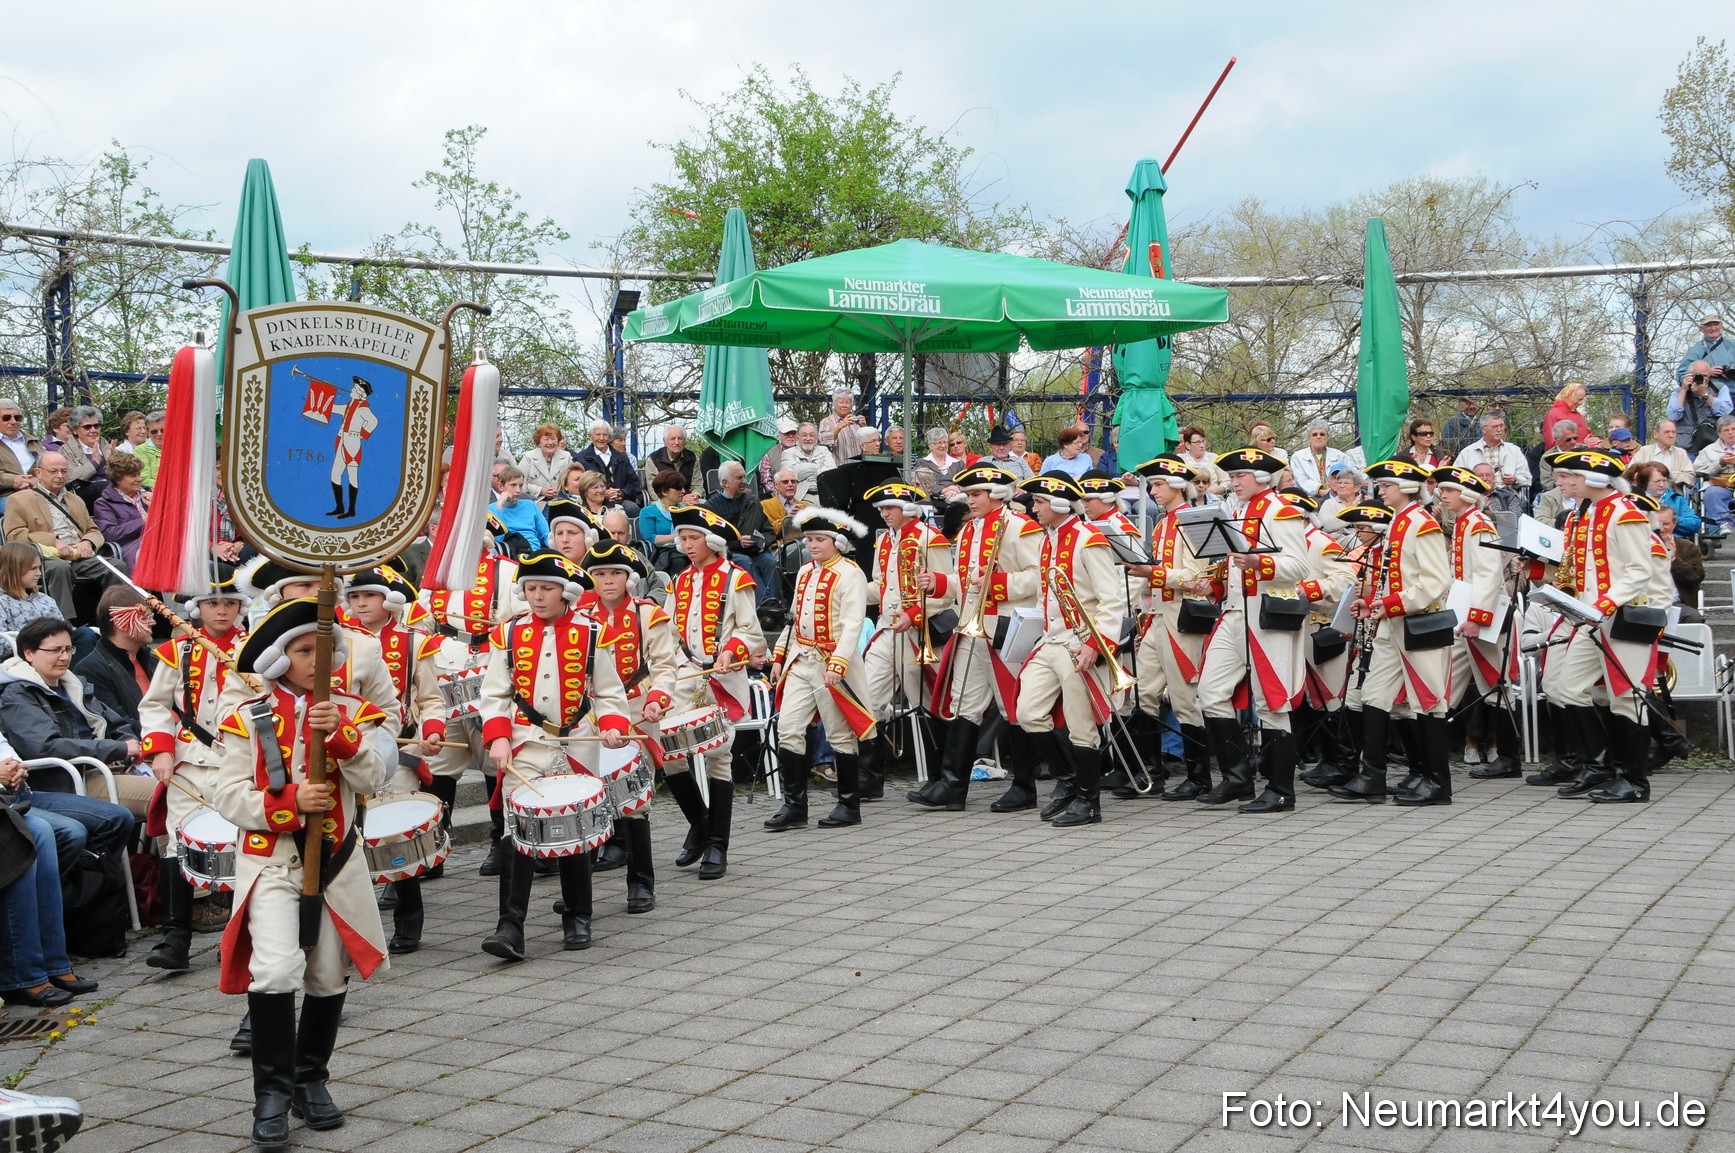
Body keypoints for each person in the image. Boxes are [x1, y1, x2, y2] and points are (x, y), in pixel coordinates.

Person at [210, 598, 390, 1148]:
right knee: (275, 969)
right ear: (278, 658)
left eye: (326, 648)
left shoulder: (355, 711)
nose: (319, 658)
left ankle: (311, 1080)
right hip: (271, 861)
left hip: (335, 863)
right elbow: (227, 794)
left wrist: (342, 739)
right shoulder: (249, 716)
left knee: (327, 973)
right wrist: (286, 802)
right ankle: (271, 1093)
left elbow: (374, 779)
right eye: (304, 649)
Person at [475, 553, 630, 960]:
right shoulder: (507, 634)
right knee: (516, 829)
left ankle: (578, 915)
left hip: (577, 742)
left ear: (565, 592)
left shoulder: (593, 632)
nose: (538, 596)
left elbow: (610, 692)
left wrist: (612, 724)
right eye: (530, 588)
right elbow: (494, 695)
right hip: (525, 743)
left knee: (575, 828)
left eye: (546, 588)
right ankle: (510, 927)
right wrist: (498, 737)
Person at [908, 463, 1041, 812]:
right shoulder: (968, 531)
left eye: (977, 493)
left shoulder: (1021, 527)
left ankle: (1025, 786)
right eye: (968, 494)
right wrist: (938, 582)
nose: (971, 500)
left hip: (1006, 627)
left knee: (1014, 705)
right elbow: (962, 581)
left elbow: (1036, 578)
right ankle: (952, 786)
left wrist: (996, 584)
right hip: (971, 626)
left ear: (997, 494)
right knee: (963, 703)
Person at [137, 569, 248, 971]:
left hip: (238, 762)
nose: (221, 611)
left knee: (239, 844)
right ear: (197, 607)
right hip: (188, 761)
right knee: (176, 843)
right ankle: (175, 936)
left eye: (230, 603)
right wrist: (160, 751)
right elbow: (155, 705)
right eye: (213, 603)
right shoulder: (178, 650)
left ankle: (238, 935)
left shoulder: (253, 649)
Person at [1328, 459, 1453, 806]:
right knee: (1374, 693)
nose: (1379, 491)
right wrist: (1375, 605)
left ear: (1408, 487)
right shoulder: (1400, 521)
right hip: (1392, 622)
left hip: (1418, 623)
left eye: (1386, 486)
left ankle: (1437, 781)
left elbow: (1435, 580)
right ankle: (1372, 777)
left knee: (1429, 700)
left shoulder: (1422, 524)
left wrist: (1393, 604)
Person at [1192, 448, 1310, 813]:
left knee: (1271, 701)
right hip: (1234, 611)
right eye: (1232, 476)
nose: (1234, 482)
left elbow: (1299, 565)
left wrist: (1259, 562)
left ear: (1261, 477)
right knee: (1211, 692)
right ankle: (1237, 779)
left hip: (1266, 613)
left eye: (1240, 476)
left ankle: (1280, 790)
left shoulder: (1281, 510)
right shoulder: (1238, 511)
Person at [1003, 473, 1123, 827]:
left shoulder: (1090, 540)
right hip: (1051, 640)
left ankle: (1089, 801)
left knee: (1081, 724)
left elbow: (1111, 601)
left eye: (1039, 502)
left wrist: (1095, 645)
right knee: (1028, 713)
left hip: (1079, 642)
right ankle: (1070, 779)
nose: (1034, 508)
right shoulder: (1046, 540)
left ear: (1057, 503)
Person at [1539, 451, 1658, 803]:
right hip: (1590, 619)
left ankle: (1634, 781)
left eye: (1566, 476)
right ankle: (1600, 765)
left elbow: (1639, 570)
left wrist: (1604, 603)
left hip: (1622, 617)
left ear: (1591, 479)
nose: (1560, 483)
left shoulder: (1625, 512)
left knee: (1627, 697)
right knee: (1568, 688)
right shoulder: (1587, 513)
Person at [662, 506, 767, 879]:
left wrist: (730, 651)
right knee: (668, 747)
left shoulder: (736, 579)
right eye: (683, 539)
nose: (687, 545)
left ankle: (718, 846)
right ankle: (700, 824)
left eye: (693, 538)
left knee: (718, 757)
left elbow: (750, 631)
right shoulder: (678, 581)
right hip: (685, 673)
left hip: (723, 673)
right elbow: (667, 632)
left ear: (712, 541)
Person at [574, 541, 675, 910]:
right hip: (588, 716)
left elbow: (665, 665)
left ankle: (641, 883)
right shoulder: (580, 616)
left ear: (629, 578)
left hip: (635, 710)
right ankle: (578, 890)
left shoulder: (648, 614)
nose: (607, 580)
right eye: (599, 574)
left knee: (634, 800)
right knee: (585, 796)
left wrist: (656, 700)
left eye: (615, 573)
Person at [415, 547, 524, 878]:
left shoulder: (507, 570)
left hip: (489, 670)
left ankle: (498, 842)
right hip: (443, 672)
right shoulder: (437, 573)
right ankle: (435, 848)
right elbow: (420, 621)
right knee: (438, 764)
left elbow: (522, 621)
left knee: (493, 759)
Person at [765, 507, 873, 830]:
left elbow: (853, 623)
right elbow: (795, 618)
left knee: (839, 733)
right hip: (801, 658)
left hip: (831, 662)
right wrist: (780, 656)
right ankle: (795, 806)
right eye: (809, 539)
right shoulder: (804, 573)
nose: (812, 545)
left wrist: (839, 663)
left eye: (820, 539)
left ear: (837, 542)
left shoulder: (851, 573)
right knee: (789, 727)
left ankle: (849, 804)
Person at [0, 617, 138, 869]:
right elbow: (46, 746)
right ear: (29, 654)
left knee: (175, 781)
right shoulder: (18, 693)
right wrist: (118, 748)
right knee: (164, 796)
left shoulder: (71, 683)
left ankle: (128, 881)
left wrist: (129, 742)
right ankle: (99, 885)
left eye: (67, 649)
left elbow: (114, 721)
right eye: (54, 650)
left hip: (103, 765)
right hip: (72, 775)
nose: (64, 657)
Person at [1122, 457, 1212, 801]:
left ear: (1177, 484)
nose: (1152, 490)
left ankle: (1199, 776)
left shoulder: (1195, 519)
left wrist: (1152, 574)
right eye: (1151, 484)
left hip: (1182, 617)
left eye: (1158, 484)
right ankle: (1150, 772)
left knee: (1185, 697)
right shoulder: (1162, 524)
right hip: (1159, 616)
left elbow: (1196, 577)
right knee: (1142, 693)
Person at [858, 482, 952, 802]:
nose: (885, 514)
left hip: (918, 632)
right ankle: (869, 779)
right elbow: (881, 587)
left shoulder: (930, 538)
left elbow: (946, 592)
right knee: (867, 700)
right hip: (887, 629)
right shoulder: (884, 540)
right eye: (882, 509)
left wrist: (912, 614)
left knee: (927, 703)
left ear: (907, 508)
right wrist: (852, 590)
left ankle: (941, 778)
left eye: (891, 508)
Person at [1432, 467, 1524, 782]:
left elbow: (1488, 575)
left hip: (1482, 619)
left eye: (1449, 491)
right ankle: (1429, 756)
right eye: (1442, 490)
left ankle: (1510, 759)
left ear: (1466, 495)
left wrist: (1477, 617)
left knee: (1496, 686)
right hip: (1464, 615)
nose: (1443, 496)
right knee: (1442, 683)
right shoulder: (1465, 524)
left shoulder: (1478, 524)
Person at [0, 748, 88, 1008]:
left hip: (8, 797)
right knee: (18, 836)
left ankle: (54, 962)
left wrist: (15, 766)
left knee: (41, 831)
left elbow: (4, 745)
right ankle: (22, 975)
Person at [3, 453, 126, 619]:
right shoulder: (20, 499)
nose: (60, 476)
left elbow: (94, 530)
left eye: (64, 471)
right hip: (44, 557)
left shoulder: (75, 500)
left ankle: (118, 621)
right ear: (38, 473)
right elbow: (14, 535)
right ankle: (64, 624)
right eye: (53, 471)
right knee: (60, 568)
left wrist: (87, 542)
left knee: (116, 566)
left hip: (79, 555)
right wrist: (54, 542)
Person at [71, 586, 155, 725]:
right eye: (145, 618)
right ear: (120, 623)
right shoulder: (90, 670)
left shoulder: (154, 661)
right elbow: (118, 725)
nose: (152, 622)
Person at [706, 460, 778, 603]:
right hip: (730, 554)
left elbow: (769, 532)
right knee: (746, 562)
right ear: (725, 482)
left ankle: (774, 602)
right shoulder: (711, 507)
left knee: (770, 562)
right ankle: (766, 605)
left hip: (756, 551)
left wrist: (762, 541)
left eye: (744, 477)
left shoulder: (753, 502)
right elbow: (711, 540)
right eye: (739, 478)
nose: (745, 481)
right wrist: (738, 544)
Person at [0, 542, 63, 647]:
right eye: (33, 568)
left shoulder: (45, 599)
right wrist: (40, 641)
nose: (39, 573)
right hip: (21, 657)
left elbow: (63, 631)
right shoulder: (2, 602)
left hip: (57, 651)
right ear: (14, 570)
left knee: (85, 634)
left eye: (39, 568)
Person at [93, 453, 148, 567]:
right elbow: (110, 534)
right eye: (133, 475)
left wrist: (157, 505)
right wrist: (143, 521)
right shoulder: (104, 503)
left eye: (139, 474)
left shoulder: (148, 496)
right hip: (130, 548)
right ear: (117, 479)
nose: (139, 479)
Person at [573, 420, 642, 509]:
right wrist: (601, 492)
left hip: (620, 501)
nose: (601, 438)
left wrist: (621, 493)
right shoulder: (580, 459)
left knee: (633, 508)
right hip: (591, 502)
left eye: (605, 435)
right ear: (590, 437)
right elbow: (578, 485)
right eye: (598, 434)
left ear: (609, 437)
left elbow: (634, 482)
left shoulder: (622, 458)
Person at [1452, 413, 1531, 492]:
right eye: (1495, 427)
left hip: (1508, 496)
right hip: (1476, 496)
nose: (1499, 430)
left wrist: (1516, 480)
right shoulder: (1468, 452)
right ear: (1484, 429)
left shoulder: (1514, 451)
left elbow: (1527, 479)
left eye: (1501, 426)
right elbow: (1456, 477)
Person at [1668, 360, 1731, 454]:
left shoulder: (1719, 389)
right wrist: (1684, 389)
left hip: (1712, 446)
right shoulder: (1678, 392)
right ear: (1689, 375)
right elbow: (1673, 415)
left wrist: (1704, 394)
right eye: (1698, 376)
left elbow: (1725, 412)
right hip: (1686, 448)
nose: (1701, 379)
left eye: (1705, 376)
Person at [1630, 460, 1701, 538]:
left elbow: (1694, 524)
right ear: (1645, 482)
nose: (1661, 485)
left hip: (1674, 539)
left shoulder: (1677, 499)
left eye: (1664, 480)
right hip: (1644, 540)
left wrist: (1670, 520)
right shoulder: (1635, 499)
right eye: (1657, 481)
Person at [488, 466, 549, 553]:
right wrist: (500, 505)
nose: (518, 490)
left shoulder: (530, 505)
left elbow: (546, 534)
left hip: (533, 552)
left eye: (520, 485)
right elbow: (498, 539)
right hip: (509, 553)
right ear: (501, 486)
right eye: (513, 485)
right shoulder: (492, 509)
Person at [1692, 415, 1735, 536]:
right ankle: (1724, 523)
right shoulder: (1708, 450)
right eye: (1726, 430)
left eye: (1733, 429)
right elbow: (1697, 469)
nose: (1731, 433)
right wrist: (1719, 463)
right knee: (1711, 493)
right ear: (1719, 433)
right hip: (1721, 486)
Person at [1288, 421, 1350, 499]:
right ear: (1308, 437)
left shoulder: (1340, 455)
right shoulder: (1298, 457)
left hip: (1337, 497)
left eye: (1322, 434)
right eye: (1314, 434)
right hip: (1309, 497)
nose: (1318, 437)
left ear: (1328, 437)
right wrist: (1319, 490)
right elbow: (1301, 480)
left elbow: (1349, 476)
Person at [1657, 507, 1705, 606]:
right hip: (1647, 603)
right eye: (1657, 524)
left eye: (1666, 524)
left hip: (1678, 603)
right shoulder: (1639, 546)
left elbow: (1695, 578)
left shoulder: (1688, 547)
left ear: (1674, 524)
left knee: (1692, 618)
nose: (1661, 528)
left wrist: (1674, 559)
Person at [61, 406, 110, 502]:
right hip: (81, 493)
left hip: (109, 488)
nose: (93, 430)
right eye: (87, 427)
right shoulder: (65, 451)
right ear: (75, 430)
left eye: (96, 426)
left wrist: (111, 463)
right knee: (106, 487)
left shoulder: (106, 446)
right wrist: (94, 463)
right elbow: (69, 477)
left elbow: (121, 476)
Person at [1675, 312, 1735, 388]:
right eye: (1708, 325)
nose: (1713, 328)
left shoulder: (1732, 345)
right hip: (1709, 395)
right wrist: (1706, 373)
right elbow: (1681, 374)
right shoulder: (1696, 350)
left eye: (1716, 324)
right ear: (1701, 328)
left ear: (1721, 326)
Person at [1631, 419, 1696, 489]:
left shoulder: (1680, 453)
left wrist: (1670, 475)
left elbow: (1691, 478)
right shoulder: (1645, 451)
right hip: (1646, 494)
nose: (1671, 435)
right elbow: (1631, 473)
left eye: (1673, 432)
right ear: (1655, 434)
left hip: (1671, 495)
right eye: (1667, 432)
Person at [638, 470, 689, 558]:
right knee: (679, 561)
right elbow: (650, 538)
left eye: (683, 487)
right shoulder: (647, 512)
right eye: (679, 487)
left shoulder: (687, 510)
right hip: (662, 554)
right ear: (664, 491)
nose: (683, 491)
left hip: (686, 551)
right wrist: (679, 536)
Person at [0, 399, 41, 507]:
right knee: (27, 507)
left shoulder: (34, 442)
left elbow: (48, 467)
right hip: (6, 495)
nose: (13, 422)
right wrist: (13, 480)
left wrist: (35, 480)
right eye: (6, 418)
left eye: (17, 418)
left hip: (38, 491)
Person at [518, 424, 572, 503]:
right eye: (546, 439)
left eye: (553, 439)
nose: (550, 443)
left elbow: (574, 481)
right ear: (539, 442)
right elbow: (519, 483)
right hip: (536, 502)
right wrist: (540, 490)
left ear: (558, 440)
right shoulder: (528, 457)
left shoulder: (566, 457)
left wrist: (560, 489)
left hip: (562, 501)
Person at [785, 423, 837, 503]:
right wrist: (817, 466)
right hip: (801, 496)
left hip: (825, 494)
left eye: (811, 435)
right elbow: (791, 475)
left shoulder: (824, 451)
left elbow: (831, 474)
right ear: (797, 438)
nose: (808, 438)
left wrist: (804, 470)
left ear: (816, 438)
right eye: (804, 435)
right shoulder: (788, 453)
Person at [1176, 426, 1228, 499]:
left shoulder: (1214, 458)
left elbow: (1227, 481)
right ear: (1188, 445)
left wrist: (1218, 489)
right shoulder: (1180, 459)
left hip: (1214, 500)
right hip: (1187, 502)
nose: (1202, 445)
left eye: (1203, 441)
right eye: (1198, 442)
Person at [646, 425, 699, 492]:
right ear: (665, 442)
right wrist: (680, 499)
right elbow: (654, 491)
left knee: (703, 502)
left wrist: (695, 496)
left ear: (685, 441)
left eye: (680, 438)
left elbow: (697, 485)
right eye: (673, 439)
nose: (677, 442)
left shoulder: (693, 458)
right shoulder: (653, 460)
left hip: (689, 499)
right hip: (664, 500)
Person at [818, 393, 866, 463]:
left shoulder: (856, 421)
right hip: (838, 469)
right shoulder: (826, 421)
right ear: (834, 404)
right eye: (841, 402)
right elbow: (823, 441)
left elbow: (867, 445)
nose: (844, 405)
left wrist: (864, 428)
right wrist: (840, 426)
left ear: (851, 405)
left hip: (858, 468)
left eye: (847, 403)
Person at [760, 468, 808, 538]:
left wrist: (803, 517)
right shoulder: (765, 505)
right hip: (781, 546)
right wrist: (788, 518)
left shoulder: (806, 506)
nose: (790, 484)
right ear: (776, 485)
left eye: (793, 481)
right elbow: (768, 532)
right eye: (785, 482)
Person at [1542, 383, 1591, 448]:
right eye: (1579, 399)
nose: (1581, 403)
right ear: (1569, 396)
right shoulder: (1554, 414)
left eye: (1582, 399)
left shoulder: (1579, 415)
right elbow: (1552, 443)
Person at [135, 410, 165, 488]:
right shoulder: (140, 450)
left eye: (163, 430)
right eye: (154, 431)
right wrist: (168, 485)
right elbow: (144, 479)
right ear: (148, 432)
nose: (159, 434)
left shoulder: (178, 449)